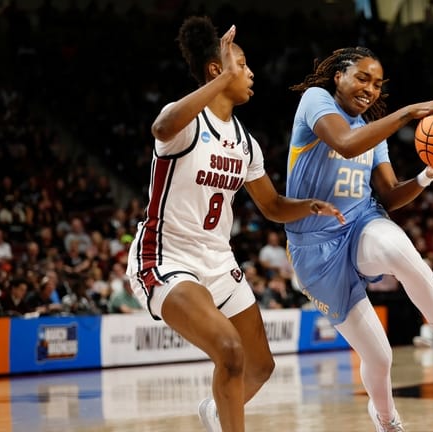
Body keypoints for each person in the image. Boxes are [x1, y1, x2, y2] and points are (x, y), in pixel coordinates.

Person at [125, 17, 344, 432]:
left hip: (218, 259)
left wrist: (309, 206)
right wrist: (226, 76)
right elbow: (160, 127)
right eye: (241, 65)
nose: (250, 73)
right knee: (229, 350)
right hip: (167, 256)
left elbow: (272, 206)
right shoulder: (186, 122)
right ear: (217, 70)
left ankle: (215, 410)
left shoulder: (244, 142)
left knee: (261, 365)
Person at [284, 46, 433, 431]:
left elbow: (390, 195)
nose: (370, 89)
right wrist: (407, 113)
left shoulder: (371, 130)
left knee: (399, 248)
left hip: (359, 223)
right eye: (362, 78)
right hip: (314, 248)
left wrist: (428, 174)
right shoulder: (316, 100)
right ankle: (387, 420)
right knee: (379, 357)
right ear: (338, 77)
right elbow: (345, 142)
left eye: (377, 84)